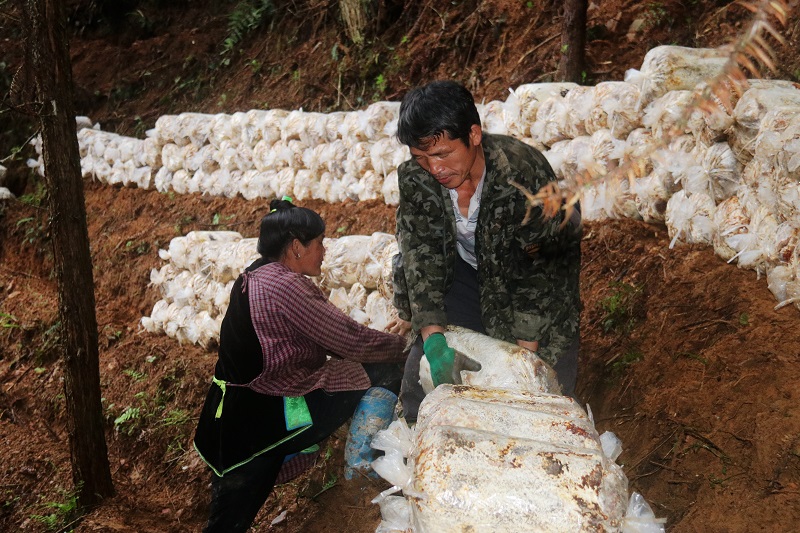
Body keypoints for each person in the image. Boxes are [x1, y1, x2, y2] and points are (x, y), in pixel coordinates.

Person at [193, 197, 408, 533]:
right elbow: (351, 340)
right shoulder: (286, 286)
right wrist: (406, 347)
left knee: (229, 515)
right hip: (265, 416)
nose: (324, 251)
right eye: (320, 243)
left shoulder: (257, 274)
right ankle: (359, 476)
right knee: (384, 372)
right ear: (296, 247)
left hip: (232, 415)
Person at [392, 80, 582, 420]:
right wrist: (434, 341)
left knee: (545, 403)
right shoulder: (414, 178)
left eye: (442, 154)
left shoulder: (523, 173)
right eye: (421, 157)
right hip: (463, 277)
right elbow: (419, 255)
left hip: (528, 279)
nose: (434, 169)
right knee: (419, 391)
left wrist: (525, 362)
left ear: (474, 136)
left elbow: (540, 270)